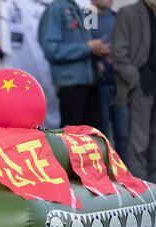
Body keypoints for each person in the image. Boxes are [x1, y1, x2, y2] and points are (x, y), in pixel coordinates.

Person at [112, 0, 156, 183]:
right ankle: (141, 195)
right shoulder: (127, 13)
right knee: (138, 146)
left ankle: (155, 193)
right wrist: (135, 80)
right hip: (140, 89)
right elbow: (118, 53)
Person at [38, 0, 110, 130]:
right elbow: (51, 49)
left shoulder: (82, 8)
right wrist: (87, 47)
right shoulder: (56, 8)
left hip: (91, 82)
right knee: (71, 137)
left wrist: (98, 55)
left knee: (93, 137)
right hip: (71, 84)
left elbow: (87, 43)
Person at [90, 0, 129, 161]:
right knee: (101, 135)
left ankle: (124, 175)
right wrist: (97, 55)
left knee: (124, 134)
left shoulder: (116, 17)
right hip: (98, 86)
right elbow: (86, 42)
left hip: (119, 85)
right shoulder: (89, 15)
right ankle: (104, 175)